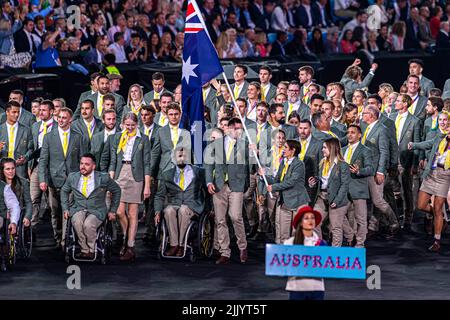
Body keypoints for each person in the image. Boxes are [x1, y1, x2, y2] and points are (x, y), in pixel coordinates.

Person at [38, 107, 86, 249]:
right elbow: (43, 161)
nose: (61, 120)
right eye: (59, 117)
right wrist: (42, 179)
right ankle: (58, 237)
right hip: (54, 180)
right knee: (55, 211)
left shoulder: (78, 137)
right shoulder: (48, 137)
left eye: (64, 117)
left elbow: (83, 160)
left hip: (72, 181)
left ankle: (66, 240)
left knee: (68, 211)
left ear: (70, 119)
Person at [205, 117, 250, 265]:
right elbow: (209, 165)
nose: (238, 131)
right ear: (229, 129)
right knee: (220, 219)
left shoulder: (245, 145)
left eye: (240, 129)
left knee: (236, 216)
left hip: (236, 186)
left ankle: (242, 246)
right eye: (236, 129)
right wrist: (209, 181)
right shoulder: (216, 144)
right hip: (219, 185)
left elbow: (250, 166)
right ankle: (225, 251)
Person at [61, 153, 121, 259]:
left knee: (88, 225)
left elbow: (117, 190)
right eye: (81, 163)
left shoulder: (103, 178)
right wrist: (65, 208)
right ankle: (85, 249)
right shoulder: (73, 177)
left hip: (97, 209)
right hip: (78, 208)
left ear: (93, 166)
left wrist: (113, 210)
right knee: (77, 222)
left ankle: (92, 249)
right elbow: (64, 191)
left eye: (86, 164)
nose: (83, 166)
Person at [109, 112, 151, 261]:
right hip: (121, 174)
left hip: (136, 176)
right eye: (127, 125)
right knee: (119, 212)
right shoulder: (117, 137)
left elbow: (147, 163)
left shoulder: (143, 139)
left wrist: (147, 186)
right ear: (123, 124)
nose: (130, 128)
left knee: (133, 213)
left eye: (133, 125)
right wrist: (111, 180)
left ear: (137, 124)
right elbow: (113, 160)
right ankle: (127, 237)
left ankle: (130, 246)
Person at [154, 148, 206, 257]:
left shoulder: (199, 172)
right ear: (174, 159)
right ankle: (174, 245)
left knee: (183, 210)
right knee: (168, 211)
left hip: (192, 205)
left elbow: (208, 192)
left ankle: (182, 245)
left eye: (184, 156)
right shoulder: (167, 174)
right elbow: (159, 195)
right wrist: (157, 211)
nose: (182, 159)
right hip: (175, 203)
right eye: (179, 156)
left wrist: (209, 209)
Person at [261, 139, 310, 244]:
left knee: (296, 233)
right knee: (283, 232)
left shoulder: (299, 164)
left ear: (293, 150)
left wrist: (273, 187)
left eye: (286, 148)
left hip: (298, 201)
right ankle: (283, 254)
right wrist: (264, 176)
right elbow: (277, 180)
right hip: (285, 201)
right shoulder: (283, 162)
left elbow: (291, 182)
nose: (283, 150)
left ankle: (296, 256)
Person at [309, 138, 350, 246]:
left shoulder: (343, 165)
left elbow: (344, 185)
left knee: (336, 226)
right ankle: (320, 248)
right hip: (322, 196)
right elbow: (322, 179)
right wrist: (314, 181)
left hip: (337, 198)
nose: (322, 150)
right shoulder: (322, 163)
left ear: (332, 149)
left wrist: (337, 200)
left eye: (324, 148)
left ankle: (335, 253)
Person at [342, 125, 374, 247]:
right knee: (338, 216)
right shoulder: (343, 149)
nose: (349, 135)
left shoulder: (365, 150)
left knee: (361, 219)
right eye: (348, 132)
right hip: (344, 189)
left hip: (358, 189)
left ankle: (360, 244)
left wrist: (359, 171)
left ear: (359, 135)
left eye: (353, 132)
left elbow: (371, 169)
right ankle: (350, 236)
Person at [285, 206, 326, 300]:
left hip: (316, 287)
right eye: (306, 218)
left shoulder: (321, 244)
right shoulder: (290, 243)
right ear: (300, 223)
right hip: (297, 287)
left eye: (312, 218)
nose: (310, 220)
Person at [0, 100, 33, 179]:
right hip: (1, 170)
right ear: (7, 112)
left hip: (20, 170)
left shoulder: (27, 130)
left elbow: (31, 149)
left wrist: (25, 158)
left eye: (18, 112)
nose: (17, 114)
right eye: (14, 112)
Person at [0, 158, 32, 235]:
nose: (11, 171)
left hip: (18, 213)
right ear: (2, 170)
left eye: (13, 168)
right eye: (7, 169)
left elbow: (28, 202)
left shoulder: (23, 182)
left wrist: (27, 216)